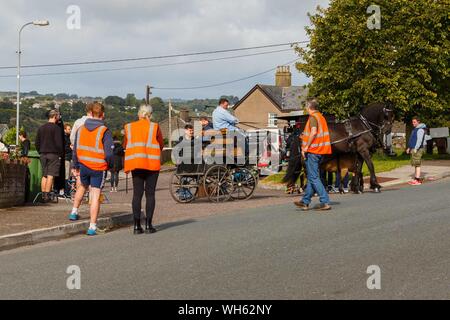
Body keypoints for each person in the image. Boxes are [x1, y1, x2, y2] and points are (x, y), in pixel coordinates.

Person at [70, 102, 113, 236]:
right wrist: (110, 166)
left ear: (90, 113)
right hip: (98, 167)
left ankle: (74, 211)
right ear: (102, 114)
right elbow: (109, 153)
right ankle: (92, 226)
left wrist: (75, 165)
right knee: (95, 195)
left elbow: (75, 149)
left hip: (83, 165)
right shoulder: (104, 130)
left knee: (82, 187)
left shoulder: (81, 128)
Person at [124, 105, 164, 235]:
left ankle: (136, 226)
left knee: (137, 194)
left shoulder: (129, 127)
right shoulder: (155, 127)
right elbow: (161, 145)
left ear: (139, 114)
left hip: (136, 163)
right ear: (150, 115)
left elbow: (125, 144)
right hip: (151, 164)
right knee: (150, 194)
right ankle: (148, 225)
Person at [294, 98, 332, 211]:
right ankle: (305, 202)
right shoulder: (321, 117)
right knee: (311, 177)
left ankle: (325, 201)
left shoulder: (313, 118)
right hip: (320, 151)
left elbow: (314, 132)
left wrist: (305, 147)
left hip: (313, 151)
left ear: (308, 107)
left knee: (314, 177)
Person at [35, 110, 64, 203]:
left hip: (43, 153)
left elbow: (36, 142)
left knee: (44, 175)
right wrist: (60, 154)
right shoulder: (57, 129)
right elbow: (59, 143)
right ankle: (47, 196)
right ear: (55, 116)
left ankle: (43, 195)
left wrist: (40, 151)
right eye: (58, 116)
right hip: (54, 154)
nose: (59, 117)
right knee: (51, 175)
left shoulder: (41, 128)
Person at [407, 117, 428, 186]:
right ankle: (415, 179)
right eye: (412, 122)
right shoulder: (415, 130)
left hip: (418, 149)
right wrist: (409, 148)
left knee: (417, 164)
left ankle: (418, 180)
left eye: (414, 122)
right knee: (415, 164)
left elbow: (419, 140)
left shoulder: (420, 130)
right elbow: (412, 139)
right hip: (413, 148)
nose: (413, 123)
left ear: (418, 122)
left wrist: (416, 148)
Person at [63, 124, 72, 196]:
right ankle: (66, 192)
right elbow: (64, 149)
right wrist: (70, 148)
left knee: (69, 176)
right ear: (65, 130)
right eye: (69, 129)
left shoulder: (69, 137)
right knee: (66, 176)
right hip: (66, 158)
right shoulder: (64, 138)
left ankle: (67, 191)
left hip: (69, 158)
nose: (70, 130)